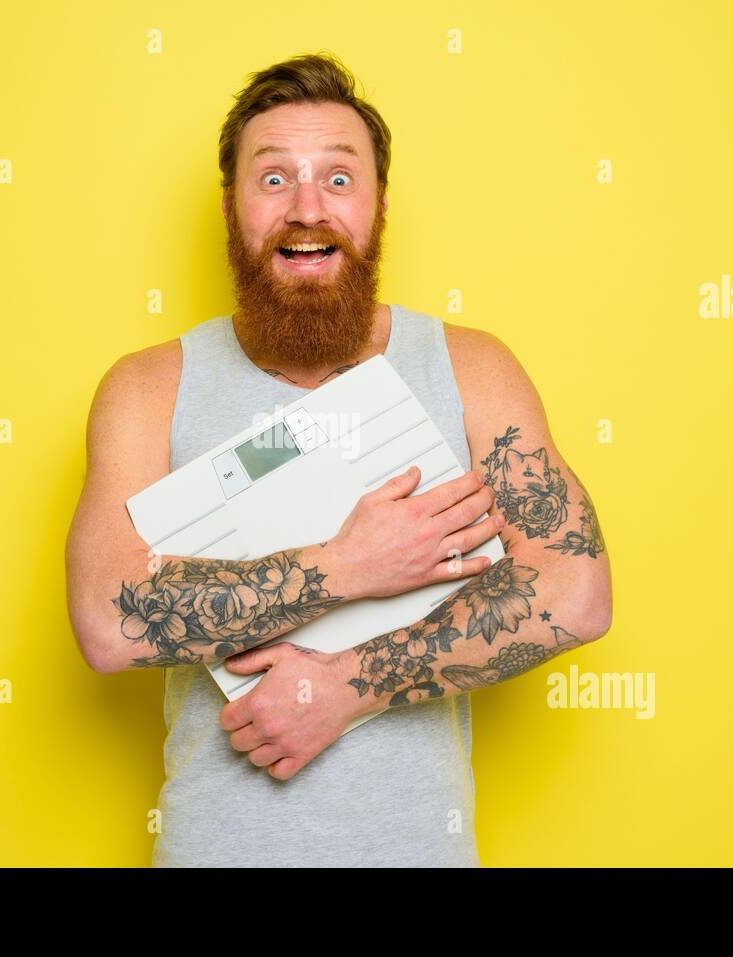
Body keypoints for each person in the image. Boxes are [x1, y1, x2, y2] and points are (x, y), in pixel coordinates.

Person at [64, 52, 613, 867]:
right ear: (230, 207)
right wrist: (348, 564)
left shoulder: (468, 368)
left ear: (379, 205)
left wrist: (352, 684)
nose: (307, 207)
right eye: (274, 178)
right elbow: (110, 621)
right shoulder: (150, 388)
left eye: (339, 179)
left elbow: (576, 589)